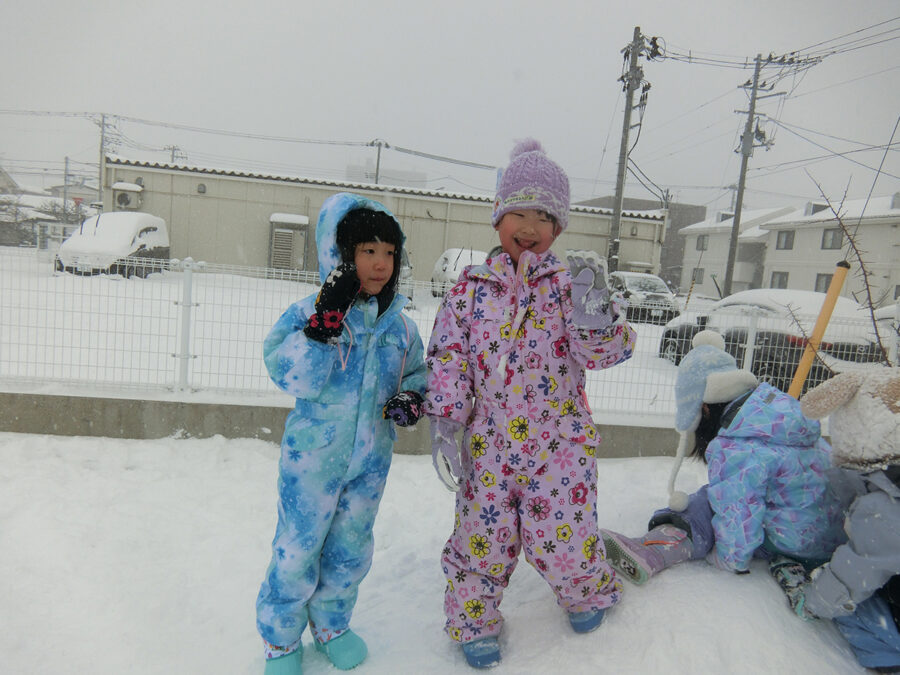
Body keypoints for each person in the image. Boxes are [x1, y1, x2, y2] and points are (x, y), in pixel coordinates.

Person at [424, 139, 636, 668]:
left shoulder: (569, 288)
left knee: (565, 536)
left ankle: (585, 591)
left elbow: (603, 353)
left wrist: (596, 317)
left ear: (558, 228)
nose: (530, 226)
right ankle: (474, 619)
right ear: (498, 217)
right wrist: (446, 421)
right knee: (482, 539)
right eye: (519, 212)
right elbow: (449, 356)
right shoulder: (469, 291)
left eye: (544, 216)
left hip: (559, 445)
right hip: (490, 447)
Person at [256, 192, 427, 675]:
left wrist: (411, 398)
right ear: (341, 254)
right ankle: (281, 639)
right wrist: (321, 329)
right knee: (298, 547)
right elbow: (289, 373)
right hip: (313, 460)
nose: (380, 263)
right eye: (368, 251)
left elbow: (418, 374)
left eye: (389, 252)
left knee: (350, 547)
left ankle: (332, 624)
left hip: (370, 462)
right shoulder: (308, 312)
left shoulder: (401, 328)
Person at [600, 330, 845, 584]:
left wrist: (727, 559)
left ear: (705, 408)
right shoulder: (782, 414)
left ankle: (654, 551)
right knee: (734, 492)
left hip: (793, 542)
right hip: (832, 540)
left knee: (705, 506)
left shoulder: (736, 448)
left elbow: (738, 514)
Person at [770, 368, 900, 672]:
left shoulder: (883, 505)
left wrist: (813, 600)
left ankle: (889, 660)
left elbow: (857, 573)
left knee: (855, 607)